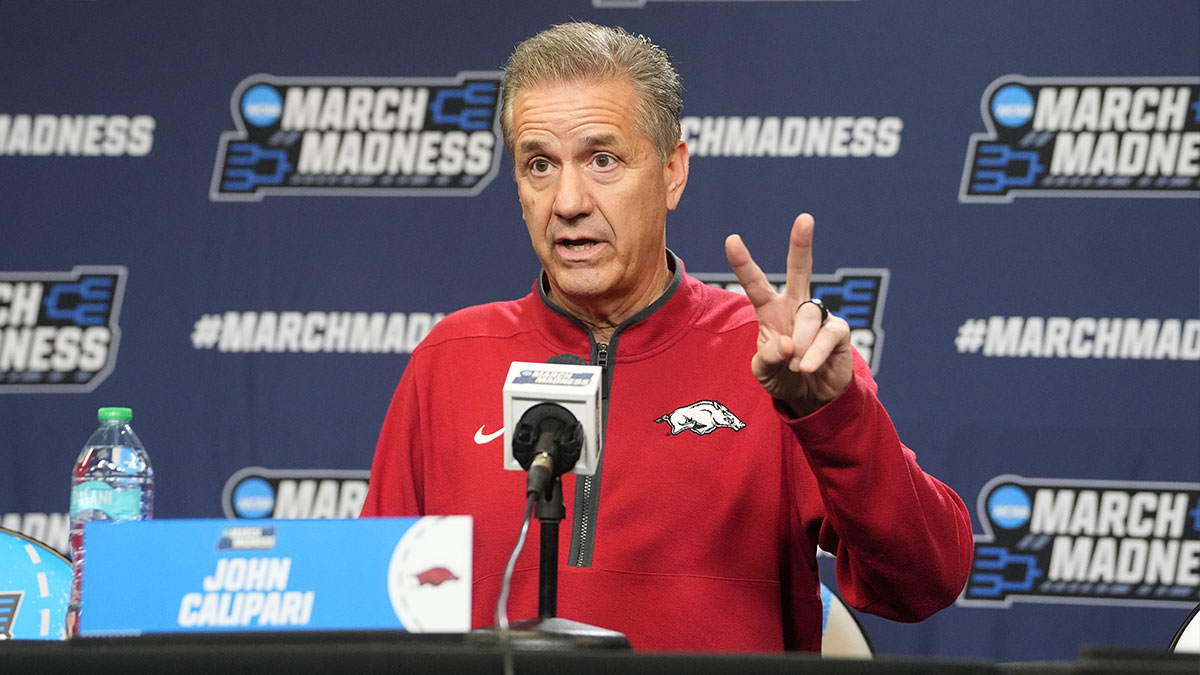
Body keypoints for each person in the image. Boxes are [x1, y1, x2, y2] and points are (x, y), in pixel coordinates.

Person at [361, 21, 972, 652]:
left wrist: (831, 414)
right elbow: (370, 618)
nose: (568, 200)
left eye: (603, 159)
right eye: (539, 164)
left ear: (672, 172)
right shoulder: (450, 360)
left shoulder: (775, 358)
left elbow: (925, 582)